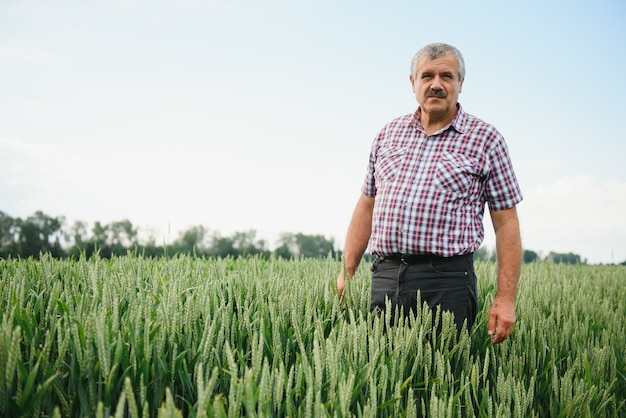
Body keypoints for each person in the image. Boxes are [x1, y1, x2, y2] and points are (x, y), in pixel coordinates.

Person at [337, 42, 522, 344]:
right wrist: (348, 272)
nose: (436, 84)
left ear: (460, 83)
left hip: (446, 282)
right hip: (385, 275)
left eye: (447, 76)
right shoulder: (388, 134)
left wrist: (505, 298)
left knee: (444, 382)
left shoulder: (487, 139)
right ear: (413, 83)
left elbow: (506, 222)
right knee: (382, 376)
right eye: (427, 76)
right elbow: (366, 206)